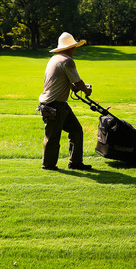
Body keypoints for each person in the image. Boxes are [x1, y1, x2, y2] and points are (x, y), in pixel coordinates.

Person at [38, 32, 93, 171]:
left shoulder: (54, 59)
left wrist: (73, 87)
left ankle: (75, 163)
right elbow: (79, 82)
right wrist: (86, 91)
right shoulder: (67, 61)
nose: (75, 50)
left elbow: (63, 80)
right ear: (69, 48)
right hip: (55, 104)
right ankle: (48, 166)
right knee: (53, 136)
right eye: (74, 47)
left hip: (57, 104)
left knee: (76, 130)